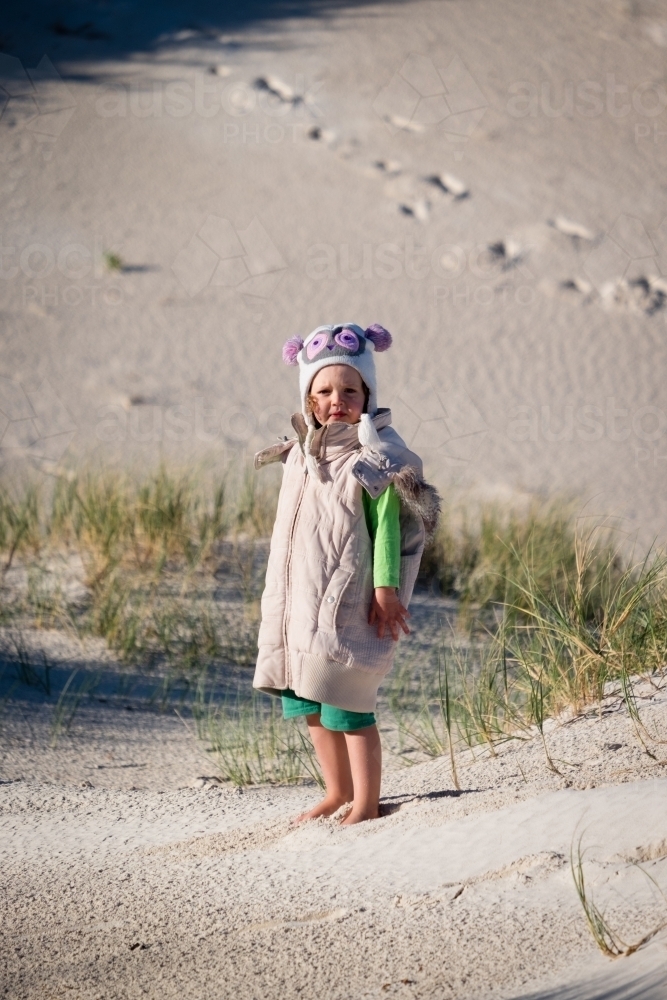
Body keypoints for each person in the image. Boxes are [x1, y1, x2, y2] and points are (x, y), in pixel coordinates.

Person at [252, 323, 440, 825]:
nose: (338, 399)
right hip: (298, 604)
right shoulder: (300, 456)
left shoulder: (372, 458)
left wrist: (385, 590)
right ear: (309, 400)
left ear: (367, 395)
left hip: (346, 601)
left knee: (348, 705)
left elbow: (387, 530)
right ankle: (336, 792)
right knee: (308, 705)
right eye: (325, 391)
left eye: (350, 390)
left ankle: (366, 803)